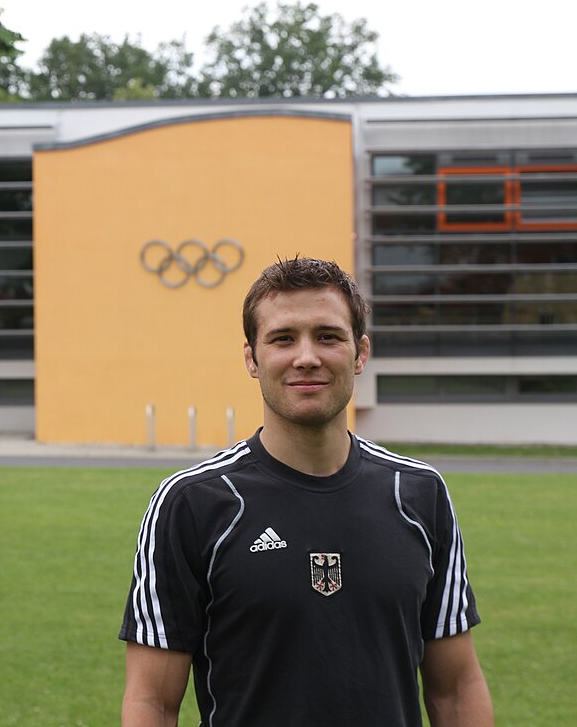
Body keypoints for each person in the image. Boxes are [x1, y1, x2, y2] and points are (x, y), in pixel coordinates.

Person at [119, 257, 493, 726]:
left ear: (360, 353)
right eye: (282, 338)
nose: (306, 356)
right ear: (252, 358)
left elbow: (457, 689)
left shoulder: (418, 494)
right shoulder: (193, 502)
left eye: (328, 336)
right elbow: (152, 702)